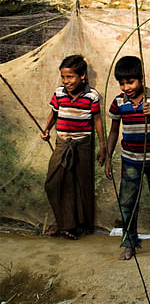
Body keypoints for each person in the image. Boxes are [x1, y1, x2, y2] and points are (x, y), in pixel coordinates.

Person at [105, 56, 150, 260]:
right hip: (129, 160)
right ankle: (129, 243)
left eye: (130, 82)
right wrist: (108, 157)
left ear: (142, 78)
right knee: (127, 203)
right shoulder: (118, 102)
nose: (126, 87)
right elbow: (113, 132)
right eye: (122, 83)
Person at [40, 55, 106, 239]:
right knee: (54, 183)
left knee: (80, 185)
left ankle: (77, 226)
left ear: (82, 75)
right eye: (63, 77)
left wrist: (102, 145)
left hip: (83, 145)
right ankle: (65, 223)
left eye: (70, 77)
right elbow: (54, 114)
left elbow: (97, 120)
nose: (66, 81)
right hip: (63, 143)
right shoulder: (59, 93)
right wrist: (46, 130)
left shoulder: (92, 95)